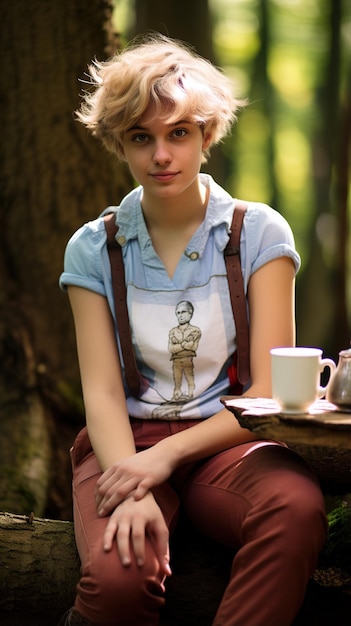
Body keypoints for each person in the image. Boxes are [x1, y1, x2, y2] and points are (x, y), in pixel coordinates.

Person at [58, 33, 326, 626]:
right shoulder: (93, 249)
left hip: (228, 440)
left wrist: (168, 459)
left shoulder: (257, 234)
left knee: (296, 508)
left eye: (178, 133)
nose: (161, 155)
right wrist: (131, 481)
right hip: (121, 443)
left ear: (207, 135)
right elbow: (101, 392)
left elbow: (266, 391)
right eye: (140, 137)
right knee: (118, 578)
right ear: (117, 144)